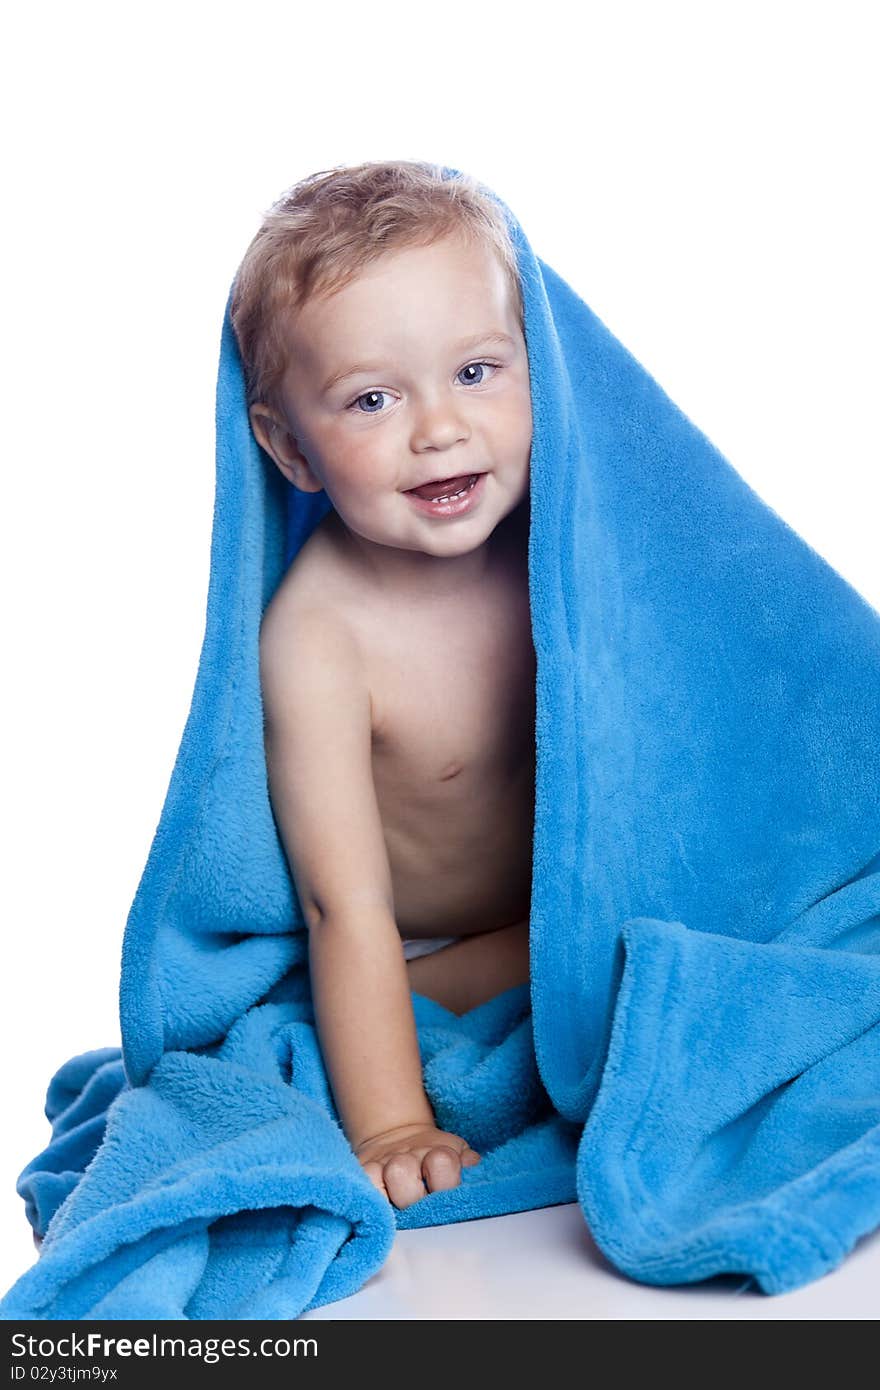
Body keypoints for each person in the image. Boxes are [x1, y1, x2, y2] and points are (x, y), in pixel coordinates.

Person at [231, 160, 536, 1211]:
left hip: (570, 892)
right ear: (291, 447)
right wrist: (394, 1122)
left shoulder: (564, 543)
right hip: (420, 946)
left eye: (477, 371)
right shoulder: (320, 636)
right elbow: (342, 899)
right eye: (371, 397)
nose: (438, 428)